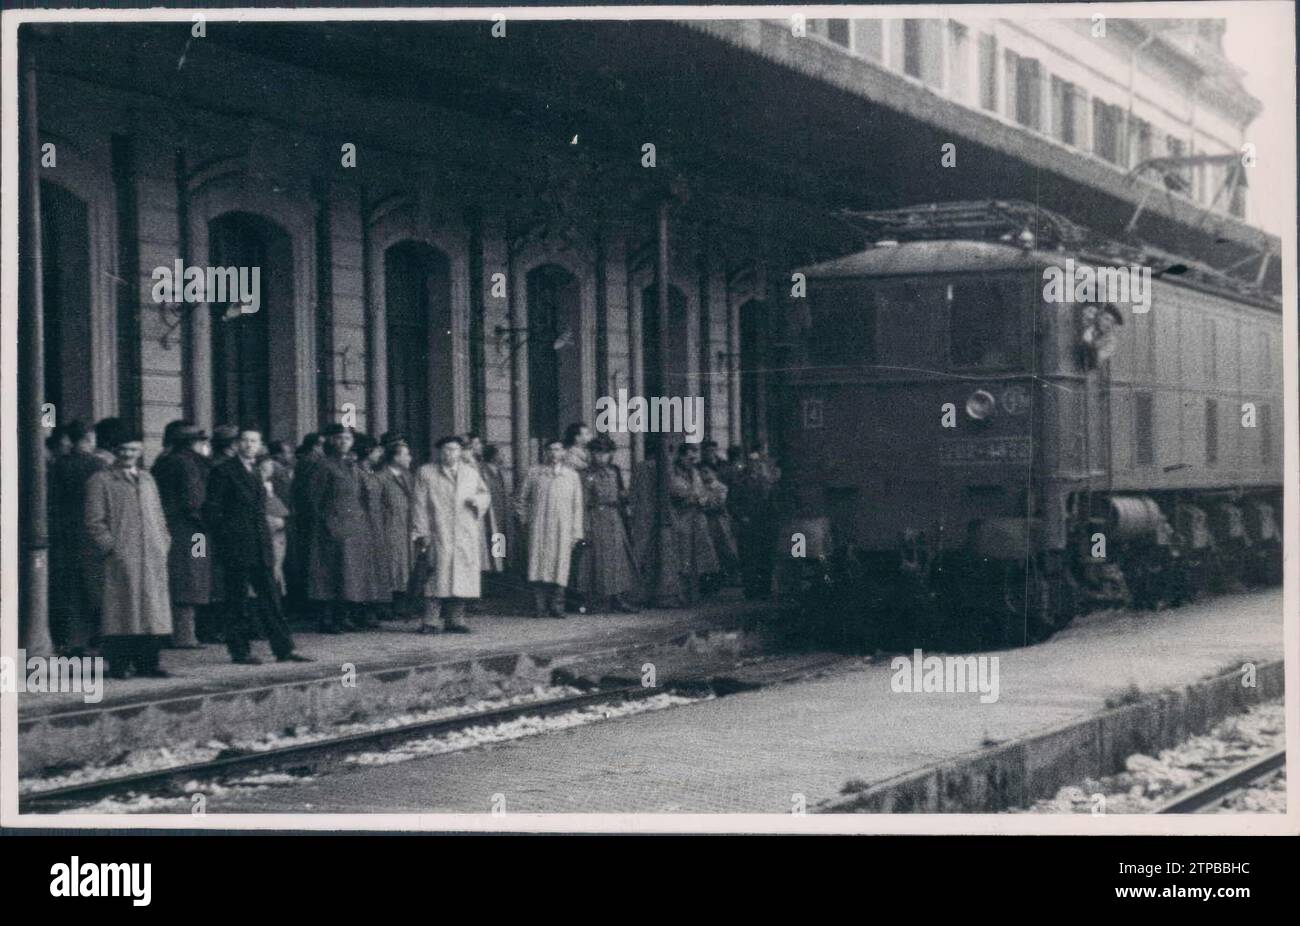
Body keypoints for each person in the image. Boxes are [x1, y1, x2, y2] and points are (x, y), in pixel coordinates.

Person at [203, 426, 309, 665]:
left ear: (260, 445)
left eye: (254, 441)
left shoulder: (256, 472)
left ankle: (284, 648)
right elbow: (212, 511)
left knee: (271, 597)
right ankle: (239, 650)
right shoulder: (224, 471)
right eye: (244, 440)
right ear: (237, 444)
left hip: (261, 545)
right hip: (237, 547)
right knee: (237, 599)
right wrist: (227, 540)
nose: (249, 445)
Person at [83, 423, 173, 679]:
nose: (129, 454)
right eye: (123, 449)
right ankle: (119, 664)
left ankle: (149, 663)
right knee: (122, 612)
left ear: (141, 450)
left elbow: (158, 514)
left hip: (152, 553)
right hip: (122, 555)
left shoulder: (147, 478)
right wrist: (112, 548)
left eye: (134, 449)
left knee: (151, 611)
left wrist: (163, 541)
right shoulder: (100, 480)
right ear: (115, 451)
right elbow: (94, 521)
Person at [410, 435, 491, 633]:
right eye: (446, 449)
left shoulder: (470, 473)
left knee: (461, 576)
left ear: (460, 451)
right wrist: (422, 531)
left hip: (464, 532)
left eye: (454, 449)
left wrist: (477, 501)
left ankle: (456, 620)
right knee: (436, 576)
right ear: (439, 451)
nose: (450, 454)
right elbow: (419, 503)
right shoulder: (426, 472)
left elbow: (485, 494)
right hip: (439, 530)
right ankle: (430, 621)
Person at [151, 422, 213, 649]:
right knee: (194, 577)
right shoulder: (190, 464)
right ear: (193, 442)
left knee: (177, 577)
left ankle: (173, 632)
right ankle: (186, 635)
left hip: (170, 528)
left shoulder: (162, 462)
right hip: (195, 531)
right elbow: (194, 500)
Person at [306, 424, 372, 632]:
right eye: (339, 438)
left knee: (348, 574)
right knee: (328, 574)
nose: (344, 442)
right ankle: (326, 619)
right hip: (330, 528)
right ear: (331, 441)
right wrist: (325, 523)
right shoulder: (323, 465)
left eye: (348, 439)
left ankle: (342, 616)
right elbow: (312, 499)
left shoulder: (352, 466)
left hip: (351, 529)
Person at [47, 420, 106, 654]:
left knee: (70, 589)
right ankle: (98, 636)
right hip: (92, 533)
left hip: (65, 534)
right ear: (90, 438)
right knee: (96, 586)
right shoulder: (98, 465)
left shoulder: (58, 465)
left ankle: (73, 639)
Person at [518, 437, 585, 618]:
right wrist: (525, 521)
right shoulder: (534, 473)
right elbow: (521, 500)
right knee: (538, 565)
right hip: (539, 527)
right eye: (551, 450)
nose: (554, 453)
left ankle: (557, 606)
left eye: (558, 449)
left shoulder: (572, 476)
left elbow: (577, 506)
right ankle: (539, 607)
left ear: (564, 452)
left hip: (563, 529)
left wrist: (576, 532)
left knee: (560, 565)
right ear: (545, 452)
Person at [573, 435, 639, 612]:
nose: (601, 457)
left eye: (605, 453)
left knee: (618, 559)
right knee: (595, 559)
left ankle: (618, 598)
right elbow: (583, 503)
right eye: (597, 453)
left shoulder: (614, 472)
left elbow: (621, 494)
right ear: (591, 454)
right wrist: (584, 527)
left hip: (614, 518)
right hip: (596, 519)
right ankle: (595, 601)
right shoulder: (585, 475)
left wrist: (625, 501)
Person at [668, 442, 720, 603]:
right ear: (682, 456)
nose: (691, 460)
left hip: (698, 520)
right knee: (683, 558)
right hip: (682, 519)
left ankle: (694, 594)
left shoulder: (695, 473)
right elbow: (678, 492)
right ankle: (681, 594)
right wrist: (696, 496)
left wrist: (698, 497)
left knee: (699, 559)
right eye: (689, 457)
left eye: (693, 457)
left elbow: (703, 493)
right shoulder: (673, 473)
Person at [353, 433, 391, 626]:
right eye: (376, 451)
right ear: (368, 452)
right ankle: (360, 612)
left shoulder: (371, 473)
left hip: (376, 525)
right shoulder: (357, 472)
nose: (379, 454)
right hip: (362, 526)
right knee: (362, 570)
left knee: (375, 569)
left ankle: (371, 609)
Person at [285, 432, 324, 620]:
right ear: (316, 446)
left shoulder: (305, 461)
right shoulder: (314, 462)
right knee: (309, 561)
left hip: (302, 517)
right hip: (308, 518)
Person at [377, 433, 415, 618]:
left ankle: (400, 605)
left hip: (404, 527)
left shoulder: (408, 477)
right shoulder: (382, 477)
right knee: (389, 567)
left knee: (403, 568)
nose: (410, 458)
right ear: (396, 457)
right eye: (406, 454)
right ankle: (385, 607)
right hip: (388, 527)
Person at [698, 461, 739, 595]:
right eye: (702, 472)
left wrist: (705, 505)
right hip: (705, 522)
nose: (704, 475)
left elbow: (719, 504)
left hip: (719, 522)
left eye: (707, 472)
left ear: (714, 473)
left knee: (725, 548)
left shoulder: (721, 487)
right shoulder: (700, 487)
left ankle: (729, 576)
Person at [479, 444, 514, 584]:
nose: (504, 457)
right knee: (492, 542)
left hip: (502, 514)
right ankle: (492, 576)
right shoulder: (483, 473)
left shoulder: (499, 472)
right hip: (491, 515)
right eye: (501, 454)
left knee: (500, 541)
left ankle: (500, 573)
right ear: (494, 457)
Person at [258, 454, 290, 595]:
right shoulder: (261, 487)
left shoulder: (269, 485)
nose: (271, 468)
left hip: (277, 533)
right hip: (270, 533)